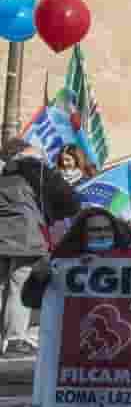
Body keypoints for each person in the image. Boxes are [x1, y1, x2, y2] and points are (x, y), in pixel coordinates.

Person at [19, 207, 131, 407]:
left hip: (107, 355)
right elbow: (30, 300)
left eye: (105, 231)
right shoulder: (61, 262)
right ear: (82, 234)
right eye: (94, 231)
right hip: (66, 351)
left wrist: (103, 267)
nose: (100, 236)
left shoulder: (130, 262)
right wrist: (38, 277)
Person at [0, 139, 80, 356]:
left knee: (5, 287)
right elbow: (68, 200)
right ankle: (15, 339)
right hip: (23, 234)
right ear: (26, 152)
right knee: (20, 285)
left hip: (7, 233)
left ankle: (8, 337)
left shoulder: (5, 170)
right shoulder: (35, 167)